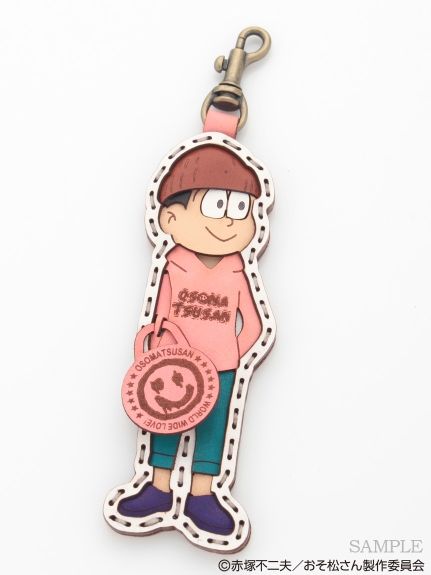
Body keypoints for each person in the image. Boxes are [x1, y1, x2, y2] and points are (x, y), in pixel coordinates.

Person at [118, 146, 263, 535]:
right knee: (166, 420)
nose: (229, 220)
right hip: (174, 366)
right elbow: (160, 317)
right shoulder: (175, 265)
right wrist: (159, 355)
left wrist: (229, 354)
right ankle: (158, 487)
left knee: (213, 429)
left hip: (222, 369)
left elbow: (252, 323)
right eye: (216, 205)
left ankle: (202, 496)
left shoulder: (236, 270)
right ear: (170, 217)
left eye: (240, 208)